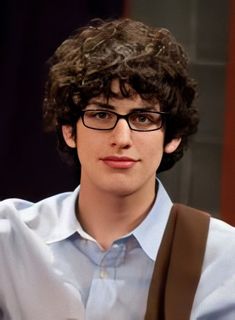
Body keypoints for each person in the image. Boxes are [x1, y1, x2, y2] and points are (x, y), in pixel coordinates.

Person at [0, 18, 235, 320]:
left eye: (143, 119)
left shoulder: (222, 259)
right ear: (70, 131)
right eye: (101, 114)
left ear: (172, 137)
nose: (122, 139)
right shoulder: (10, 239)